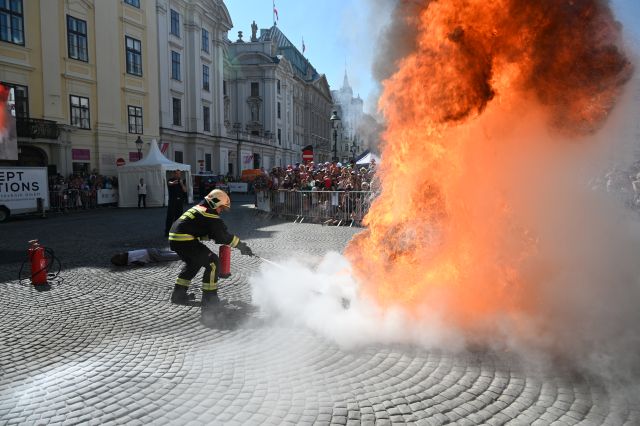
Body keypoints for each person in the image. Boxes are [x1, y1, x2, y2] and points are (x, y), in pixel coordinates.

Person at [168, 189, 254, 316]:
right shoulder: (209, 215)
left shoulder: (200, 208)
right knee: (213, 262)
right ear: (215, 203)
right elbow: (223, 236)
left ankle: (178, 295)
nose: (221, 211)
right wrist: (242, 246)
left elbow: (205, 231)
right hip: (185, 240)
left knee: (194, 263)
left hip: (176, 239)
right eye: (221, 208)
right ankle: (210, 300)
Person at [165, 170, 187, 236]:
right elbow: (169, 183)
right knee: (170, 216)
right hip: (172, 201)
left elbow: (185, 190)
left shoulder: (182, 181)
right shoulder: (171, 180)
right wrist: (173, 183)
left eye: (179, 174)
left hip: (180, 201)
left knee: (179, 217)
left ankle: (177, 231)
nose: (178, 175)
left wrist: (182, 184)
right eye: (176, 174)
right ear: (174, 174)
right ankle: (167, 232)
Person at [110, 248, 180, 266]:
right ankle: (183, 251)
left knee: (172, 257)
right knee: (169, 253)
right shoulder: (127, 253)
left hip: (151, 255)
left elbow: (141, 263)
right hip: (149, 249)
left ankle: (185, 255)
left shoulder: (130, 260)